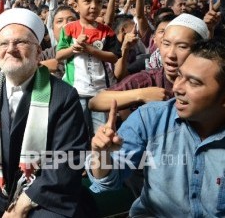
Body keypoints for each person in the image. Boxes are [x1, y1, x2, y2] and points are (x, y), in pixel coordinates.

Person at [0, 8, 89, 217]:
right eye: (3, 43)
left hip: (42, 195)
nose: (11, 49)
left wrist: (22, 205)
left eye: (21, 42)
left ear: (38, 52)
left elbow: (67, 157)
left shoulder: (63, 96)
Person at [87, 38, 225, 217]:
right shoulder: (151, 118)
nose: (177, 88)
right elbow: (107, 181)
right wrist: (101, 155)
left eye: (194, 83)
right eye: (180, 76)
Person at [89, 13, 208, 115]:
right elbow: (96, 102)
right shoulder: (148, 80)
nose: (171, 54)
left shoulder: (212, 83)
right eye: (166, 44)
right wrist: (141, 94)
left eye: (182, 47)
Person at [56, 0, 120, 134]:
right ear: (76, 6)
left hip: (100, 91)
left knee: (101, 132)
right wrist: (74, 47)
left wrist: (90, 50)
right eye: (88, 1)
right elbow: (59, 56)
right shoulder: (69, 29)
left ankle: (100, 158)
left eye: (99, 2)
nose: (94, 6)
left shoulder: (107, 31)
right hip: (75, 90)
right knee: (78, 131)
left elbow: (114, 57)